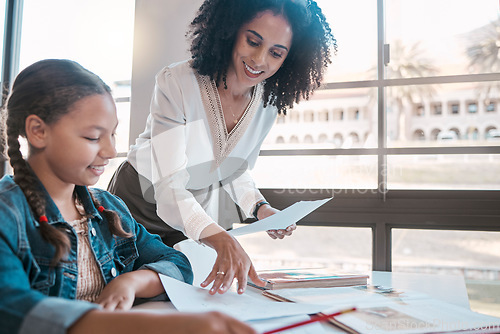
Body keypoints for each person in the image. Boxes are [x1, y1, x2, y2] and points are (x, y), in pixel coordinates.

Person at [0, 59, 256, 334]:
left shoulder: (108, 209)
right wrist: (150, 325)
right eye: (92, 137)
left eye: (112, 134)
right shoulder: (8, 215)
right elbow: (14, 310)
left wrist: (132, 282)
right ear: (38, 131)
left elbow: (177, 264)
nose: (111, 151)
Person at [108, 0, 336, 295]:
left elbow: (235, 170)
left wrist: (260, 208)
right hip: (138, 203)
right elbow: (169, 189)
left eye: (276, 53)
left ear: (289, 59)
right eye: (253, 41)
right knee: (126, 293)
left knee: (176, 291)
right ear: (231, 30)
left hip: (191, 218)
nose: (259, 60)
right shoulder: (178, 82)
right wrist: (220, 237)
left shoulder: (266, 104)